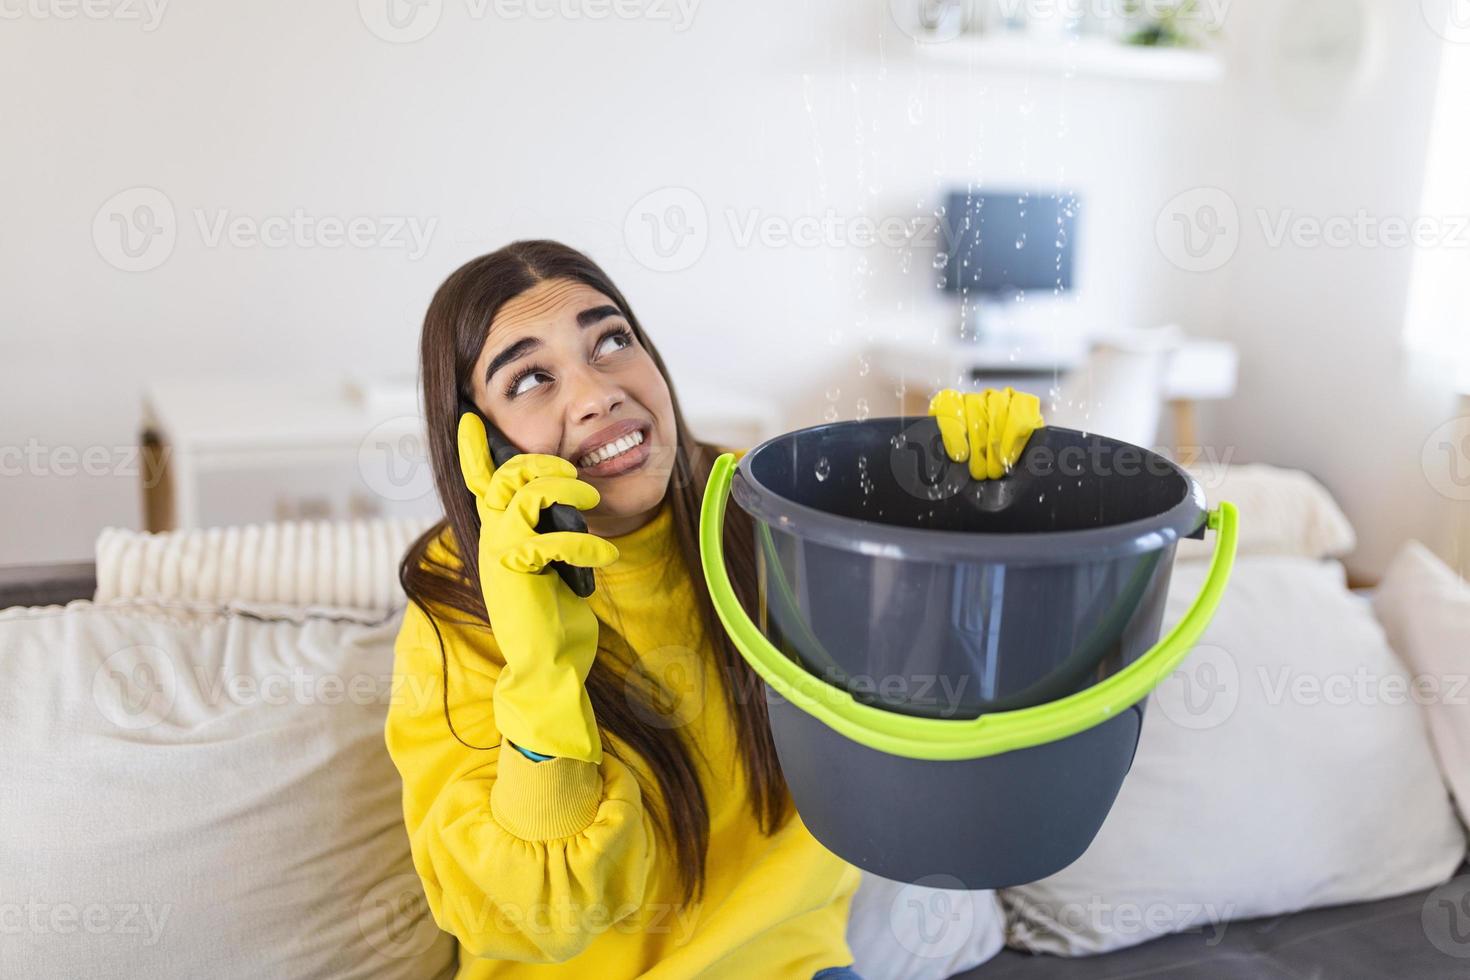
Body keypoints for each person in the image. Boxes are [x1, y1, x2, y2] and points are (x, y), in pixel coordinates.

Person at [383, 239, 1042, 979]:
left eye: (611, 341)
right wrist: (540, 670)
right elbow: (541, 923)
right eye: (531, 378)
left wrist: (987, 522)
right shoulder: (457, 608)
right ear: (482, 442)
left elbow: (944, 730)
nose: (596, 393)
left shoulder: (769, 516)